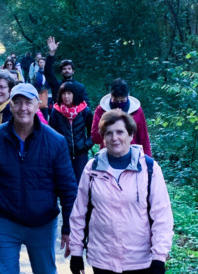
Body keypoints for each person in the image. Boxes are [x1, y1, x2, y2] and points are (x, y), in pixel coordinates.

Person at [0, 83, 78, 274]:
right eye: (17, 103)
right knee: (4, 271)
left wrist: (69, 228)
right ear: (10, 106)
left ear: (38, 106)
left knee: (45, 271)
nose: (23, 108)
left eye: (28, 103)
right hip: (5, 219)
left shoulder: (56, 141)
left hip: (42, 222)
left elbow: (68, 189)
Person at [69, 110, 173, 274]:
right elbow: (79, 213)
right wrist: (76, 252)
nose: (114, 138)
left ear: (131, 135)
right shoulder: (92, 169)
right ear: (103, 138)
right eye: (108, 133)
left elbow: (162, 216)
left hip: (139, 260)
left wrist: (159, 257)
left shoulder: (149, 169)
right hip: (102, 259)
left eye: (120, 132)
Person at [91, 78, 152, 156]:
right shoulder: (101, 110)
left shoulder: (137, 111)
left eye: (122, 101)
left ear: (127, 95)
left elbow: (144, 138)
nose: (119, 104)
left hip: (132, 155)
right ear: (111, 96)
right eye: (116, 101)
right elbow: (95, 138)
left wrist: (148, 159)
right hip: (108, 155)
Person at [49, 82, 93, 183]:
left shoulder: (84, 110)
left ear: (74, 94)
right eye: (63, 94)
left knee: (81, 182)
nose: (66, 96)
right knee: (65, 182)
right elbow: (51, 133)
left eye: (69, 93)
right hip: (63, 153)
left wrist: (85, 145)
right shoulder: (56, 111)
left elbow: (93, 132)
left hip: (80, 153)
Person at [44, 36, 89, 103]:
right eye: (64, 69)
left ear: (73, 71)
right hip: (58, 112)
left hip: (76, 113)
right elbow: (48, 72)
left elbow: (86, 104)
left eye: (69, 68)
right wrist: (51, 54)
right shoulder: (56, 85)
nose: (67, 70)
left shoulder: (80, 87)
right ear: (61, 72)